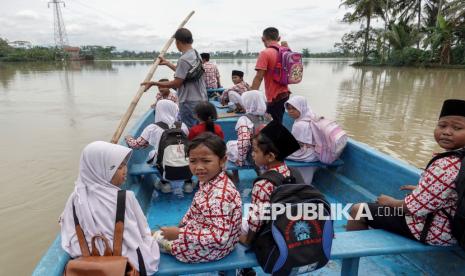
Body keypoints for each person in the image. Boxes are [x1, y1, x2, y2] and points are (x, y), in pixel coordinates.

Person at [347, 99, 465, 246]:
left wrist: (389, 202)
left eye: (457, 128)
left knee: (358, 210)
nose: (447, 132)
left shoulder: (445, 164)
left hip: (435, 231)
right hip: (455, 228)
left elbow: (414, 208)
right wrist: (423, 189)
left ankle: (352, 256)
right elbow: (456, 190)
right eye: (442, 125)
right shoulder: (458, 159)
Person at [59, 141, 160, 275]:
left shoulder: (75, 197)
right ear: (102, 170)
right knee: (152, 239)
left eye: (125, 165)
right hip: (127, 264)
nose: (125, 170)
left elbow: (68, 228)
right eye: (119, 167)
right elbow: (141, 232)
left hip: (89, 261)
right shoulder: (126, 197)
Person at [152, 133, 243, 263]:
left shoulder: (219, 196)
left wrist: (180, 233)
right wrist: (182, 225)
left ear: (222, 160)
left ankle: (170, 246)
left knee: (150, 237)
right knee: (158, 233)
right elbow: (196, 208)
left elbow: (219, 238)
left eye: (206, 161)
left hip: (212, 251)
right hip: (224, 242)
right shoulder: (211, 179)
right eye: (193, 161)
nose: (199, 167)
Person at [141, 28, 207, 128]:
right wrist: (167, 63)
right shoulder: (196, 54)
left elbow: (176, 83)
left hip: (188, 101)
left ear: (178, 42)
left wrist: (154, 83)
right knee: (200, 127)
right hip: (201, 98)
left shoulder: (183, 59)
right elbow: (184, 74)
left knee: (189, 129)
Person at [125, 100, 190, 193]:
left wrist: (128, 138)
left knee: (152, 154)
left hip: (164, 162)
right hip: (183, 160)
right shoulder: (182, 125)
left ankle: (164, 183)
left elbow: (136, 145)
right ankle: (188, 183)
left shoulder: (152, 127)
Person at [251, 27, 290, 123]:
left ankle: (277, 137)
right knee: (278, 119)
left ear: (262, 39)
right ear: (279, 38)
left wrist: (251, 96)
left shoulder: (265, 53)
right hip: (285, 93)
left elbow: (259, 77)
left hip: (274, 97)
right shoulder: (286, 51)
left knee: (273, 124)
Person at [226, 90, 267, 167]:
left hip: (254, 156)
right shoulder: (268, 117)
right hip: (268, 155)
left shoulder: (244, 119)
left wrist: (241, 161)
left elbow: (243, 142)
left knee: (229, 145)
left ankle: (236, 177)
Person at [285, 95, 319, 184]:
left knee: (278, 152)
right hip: (316, 153)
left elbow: (294, 144)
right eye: (288, 109)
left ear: (301, 108)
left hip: (307, 154)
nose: (290, 111)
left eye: (294, 109)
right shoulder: (312, 116)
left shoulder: (299, 124)